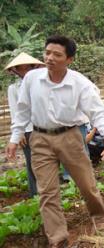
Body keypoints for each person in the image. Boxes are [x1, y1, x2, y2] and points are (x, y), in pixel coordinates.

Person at [6, 35, 104, 248]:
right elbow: (22, 110)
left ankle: (99, 215)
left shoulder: (79, 83)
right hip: (39, 138)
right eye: (47, 53)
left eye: (57, 54)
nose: (50, 58)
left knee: (86, 183)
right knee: (47, 190)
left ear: (69, 59)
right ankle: (57, 238)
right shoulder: (31, 79)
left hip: (70, 137)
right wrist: (15, 137)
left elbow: (97, 112)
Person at [5, 52, 44, 197]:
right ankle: (35, 192)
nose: (25, 71)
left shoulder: (40, 83)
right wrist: (18, 133)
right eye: (21, 68)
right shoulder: (14, 88)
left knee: (45, 160)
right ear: (15, 70)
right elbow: (16, 111)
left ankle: (49, 189)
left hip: (43, 127)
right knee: (31, 161)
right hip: (27, 130)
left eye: (28, 67)